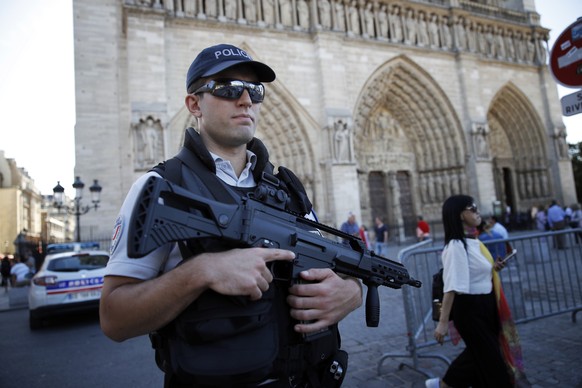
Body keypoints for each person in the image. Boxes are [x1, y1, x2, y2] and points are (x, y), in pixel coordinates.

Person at [99, 43, 363, 387]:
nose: (246, 100)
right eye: (228, 88)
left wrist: (351, 292)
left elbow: (328, 262)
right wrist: (201, 270)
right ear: (194, 104)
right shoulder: (161, 188)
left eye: (255, 91)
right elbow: (114, 318)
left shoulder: (287, 190)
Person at [427, 195, 527, 388]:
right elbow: (452, 286)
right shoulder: (456, 246)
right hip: (471, 311)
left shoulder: (472, 242)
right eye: (472, 208)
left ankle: (442, 385)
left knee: (480, 356)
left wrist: (493, 268)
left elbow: (475, 273)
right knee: (495, 367)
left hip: (486, 306)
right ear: (460, 215)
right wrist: (442, 323)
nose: (477, 211)